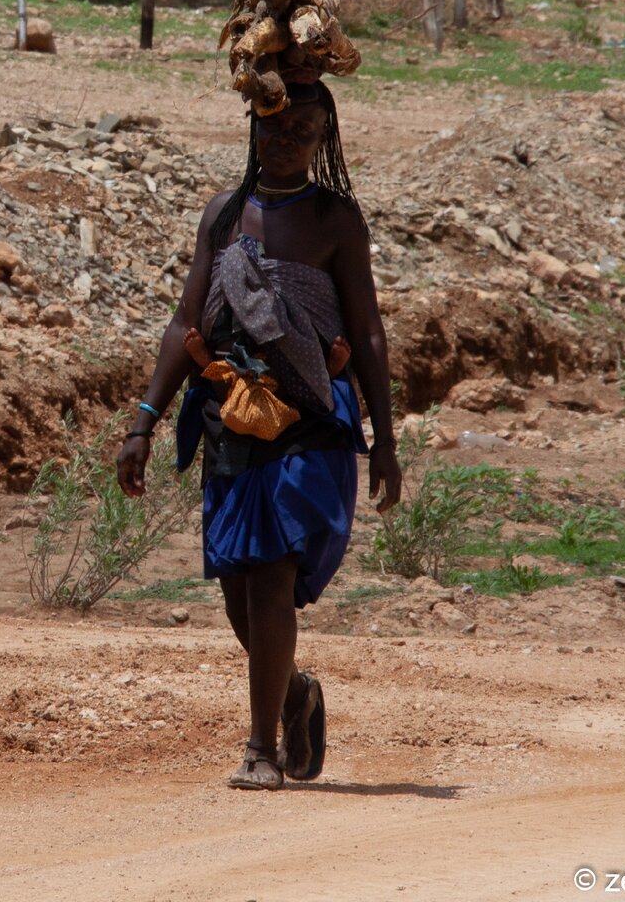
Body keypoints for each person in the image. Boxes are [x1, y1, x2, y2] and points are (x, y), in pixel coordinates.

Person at [116, 77, 402, 791]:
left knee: (272, 577)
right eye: (272, 127)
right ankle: (295, 692)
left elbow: (366, 330)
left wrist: (385, 436)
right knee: (241, 597)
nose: (284, 143)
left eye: (301, 132)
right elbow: (187, 325)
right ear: (251, 127)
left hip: (308, 417)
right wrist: (144, 423)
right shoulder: (222, 217)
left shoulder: (337, 219)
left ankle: (260, 748)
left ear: (322, 140)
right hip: (232, 417)